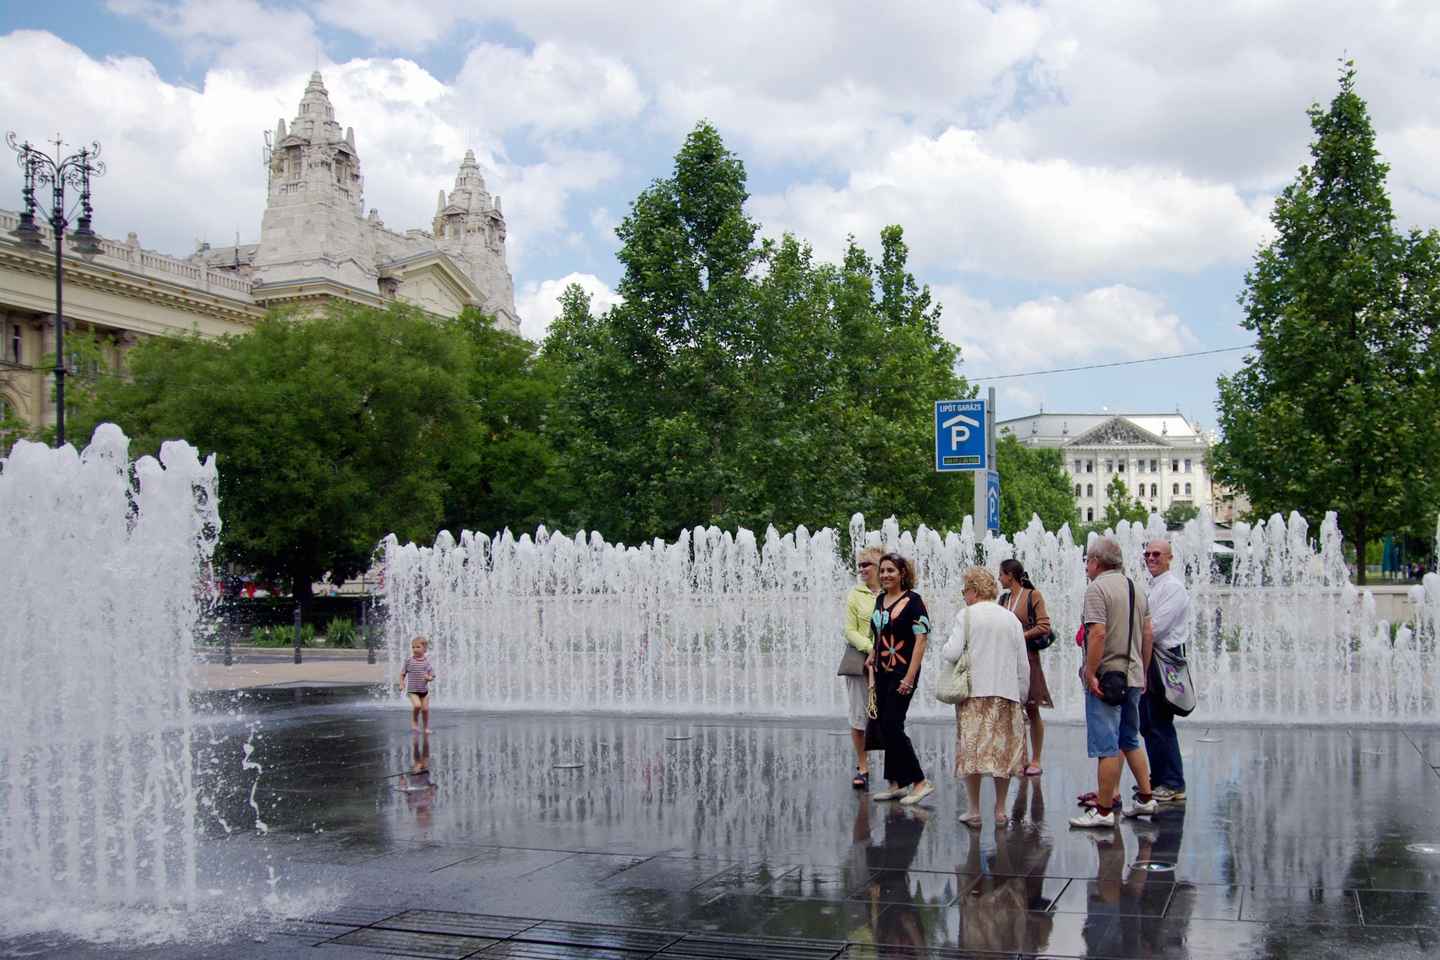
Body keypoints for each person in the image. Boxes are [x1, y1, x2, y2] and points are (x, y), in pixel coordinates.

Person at [1070, 537, 1158, 828]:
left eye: (1087, 561)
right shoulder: (1136, 588)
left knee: (1106, 745)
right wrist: (1143, 671)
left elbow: (1097, 633)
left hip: (1107, 679)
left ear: (1096, 562)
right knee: (1130, 739)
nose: (1086, 566)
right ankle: (1146, 798)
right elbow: (1148, 633)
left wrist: (1090, 672)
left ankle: (1104, 811)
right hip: (1132, 675)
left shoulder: (1097, 589)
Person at [942, 566, 1031, 827]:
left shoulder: (967, 615)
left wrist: (946, 647)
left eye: (964, 591)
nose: (964, 596)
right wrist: (1021, 696)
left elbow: (951, 652)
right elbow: (1022, 663)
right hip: (1006, 694)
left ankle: (974, 810)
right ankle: (1001, 810)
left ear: (973, 590)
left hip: (974, 694)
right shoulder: (1011, 619)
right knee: (1002, 754)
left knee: (971, 753)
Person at [865, 552, 934, 805]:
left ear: (902, 573)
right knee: (884, 725)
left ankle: (920, 781)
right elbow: (879, 633)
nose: (885, 575)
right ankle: (896, 783)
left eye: (891, 570)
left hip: (903, 672)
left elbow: (921, 639)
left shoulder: (914, 601)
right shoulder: (880, 599)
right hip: (882, 671)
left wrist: (909, 677)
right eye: (882, 570)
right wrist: (873, 653)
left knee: (892, 724)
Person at [1140, 539, 1189, 801]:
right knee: (1148, 722)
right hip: (1152, 655)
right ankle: (1160, 777)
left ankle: (1172, 782)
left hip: (1164, 658)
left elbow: (1155, 629)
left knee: (1159, 720)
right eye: (1147, 554)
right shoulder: (1156, 585)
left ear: (1170, 557)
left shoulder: (1173, 588)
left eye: (1156, 554)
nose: (1151, 558)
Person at [998, 558, 1053, 776]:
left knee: (1032, 708)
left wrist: (1021, 636)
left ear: (1010, 575)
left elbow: (1044, 625)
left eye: (1001, 574)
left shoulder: (1033, 596)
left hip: (1028, 659)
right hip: (1006, 660)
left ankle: (1036, 759)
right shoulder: (1003, 599)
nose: (999, 579)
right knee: (1011, 709)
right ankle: (1019, 756)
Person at [842, 547, 883, 789]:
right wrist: (870, 648)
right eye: (860, 565)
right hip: (860, 661)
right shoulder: (855, 594)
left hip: (888, 661)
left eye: (866, 564)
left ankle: (894, 771)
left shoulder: (893, 592)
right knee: (859, 716)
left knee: (889, 717)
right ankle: (863, 766)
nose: (862, 568)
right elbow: (849, 630)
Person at [400, 636, 435, 733]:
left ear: (425, 649)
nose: (415, 649)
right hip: (412, 691)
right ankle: (414, 721)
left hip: (424, 691)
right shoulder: (409, 661)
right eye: (413, 647)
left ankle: (426, 727)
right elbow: (402, 673)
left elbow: (432, 675)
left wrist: (429, 678)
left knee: (425, 710)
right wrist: (402, 684)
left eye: (418, 647)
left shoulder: (426, 663)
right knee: (417, 706)